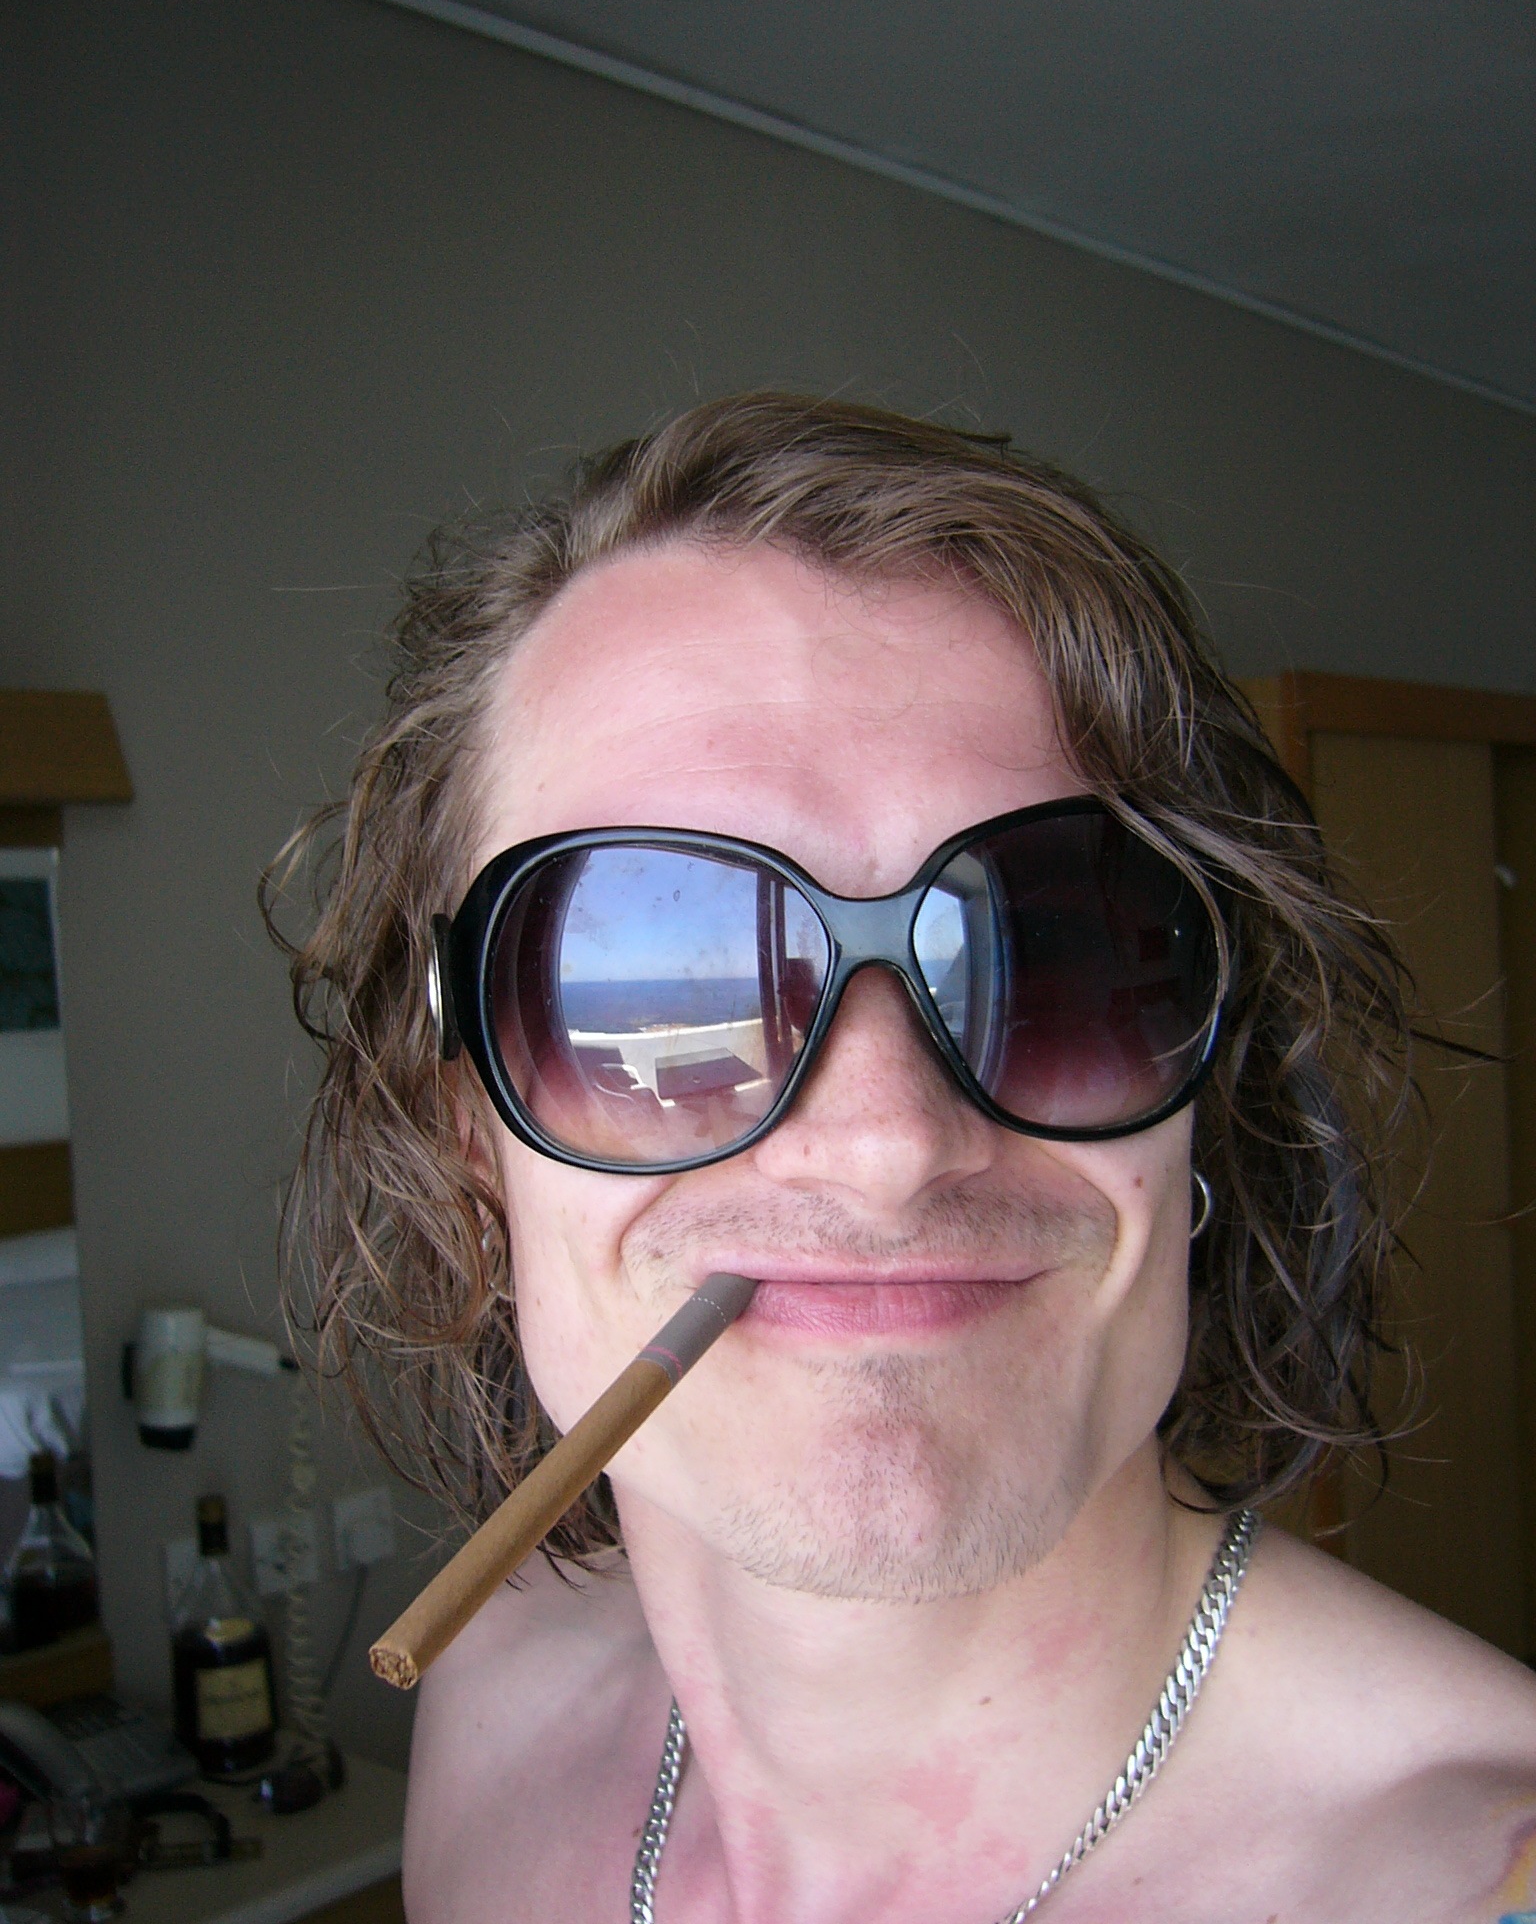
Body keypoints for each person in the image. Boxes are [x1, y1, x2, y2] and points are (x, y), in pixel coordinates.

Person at [272, 394, 1536, 1922]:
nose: (886, 1145)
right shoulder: (494, 1711)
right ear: (469, 1136)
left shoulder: (1469, 1873)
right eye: (648, 969)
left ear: (1199, 1103)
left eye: (1060, 955)